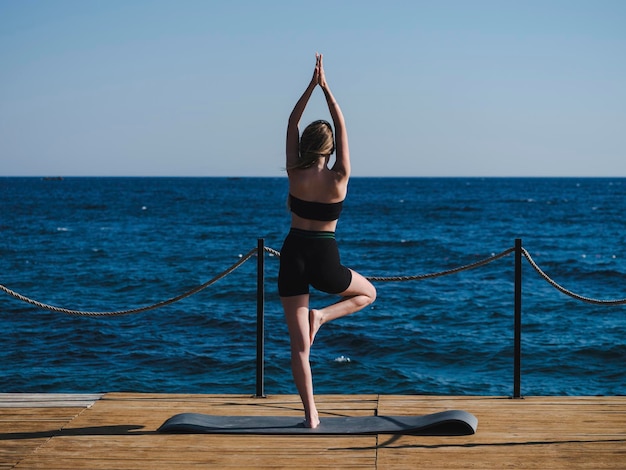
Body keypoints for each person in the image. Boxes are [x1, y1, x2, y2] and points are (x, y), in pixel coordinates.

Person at [278, 53, 377, 428]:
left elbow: (291, 120)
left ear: (304, 146)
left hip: (292, 255)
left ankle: (311, 415)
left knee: (299, 347)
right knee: (368, 294)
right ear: (331, 148)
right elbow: (342, 122)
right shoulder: (340, 176)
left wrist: (310, 86)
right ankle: (323, 315)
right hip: (324, 260)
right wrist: (326, 87)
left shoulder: (293, 172)